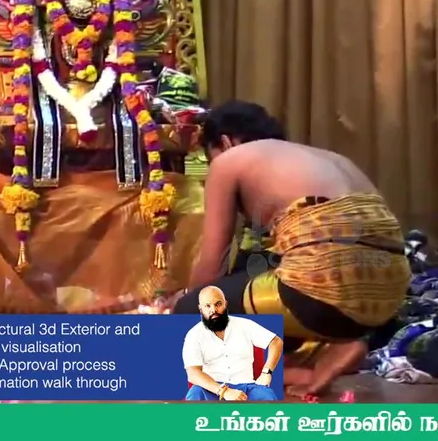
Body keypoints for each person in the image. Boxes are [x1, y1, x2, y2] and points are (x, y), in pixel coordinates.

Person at [169, 101, 411, 398]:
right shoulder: (328, 158)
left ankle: (301, 371)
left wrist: (183, 302)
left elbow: (211, 265)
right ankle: (337, 345)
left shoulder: (230, 160)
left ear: (225, 141)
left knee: (189, 317)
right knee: (259, 294)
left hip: (325, 289)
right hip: (388, 295)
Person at [183, 286, 283, 401]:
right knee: (195, 395)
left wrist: (267, 372)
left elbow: (276, 341)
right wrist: (223, 391)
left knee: (267, 397)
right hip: (212, 388)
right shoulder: (194, 334)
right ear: (201, 309)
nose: (213, 310)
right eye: (208, 306)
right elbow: (193, 373)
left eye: (218, 304)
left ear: (225, 304)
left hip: (247, 388)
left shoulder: (245, 325)